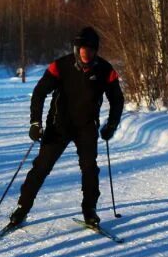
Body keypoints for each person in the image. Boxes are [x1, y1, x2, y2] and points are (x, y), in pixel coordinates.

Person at [7, 26, 124, 228]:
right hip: (58, 126)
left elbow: (117, 99)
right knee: (41, 168)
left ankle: (90, 211)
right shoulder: (60, 66)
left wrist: (111, 124)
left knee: (89, 169)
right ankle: (22, 209)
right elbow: (39, 93)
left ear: (96, 50)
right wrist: (36, 122)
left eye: (90, 49)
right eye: (81, 48)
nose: (85, 52)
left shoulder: (105, 70)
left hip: (86, 127)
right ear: (76, 48)